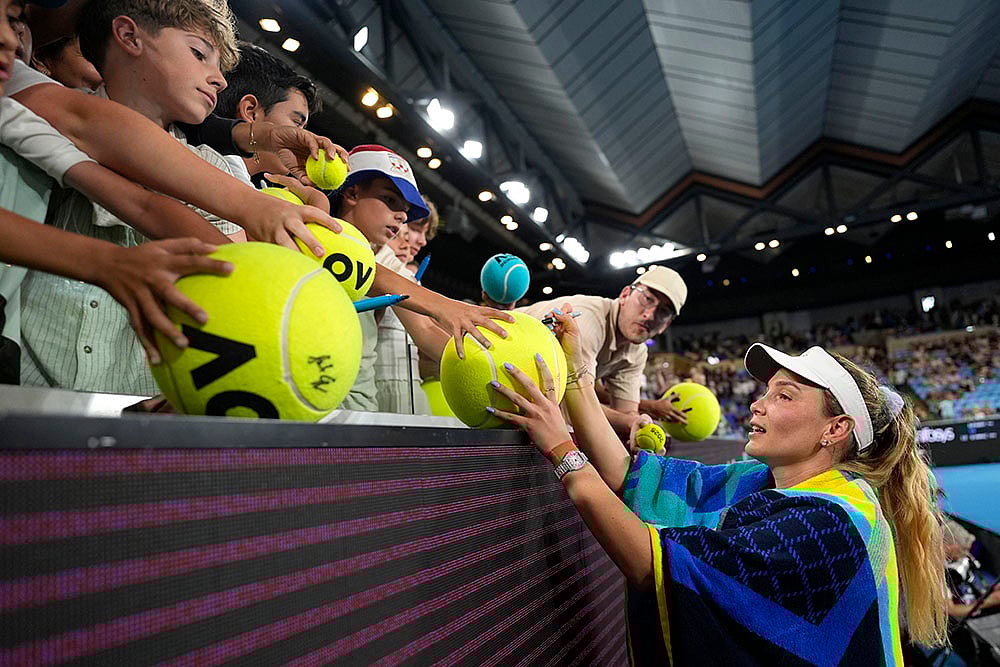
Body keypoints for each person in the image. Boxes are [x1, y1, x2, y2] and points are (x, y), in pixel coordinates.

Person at [489, 306, 949, 664]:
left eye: (784, 396)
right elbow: (633, 478)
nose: (758, 405)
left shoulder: (834, 522)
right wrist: (575, 378)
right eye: (766, 392)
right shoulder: (764, 483)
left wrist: (562, 450)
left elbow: (653, 564)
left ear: (836, 429)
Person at [17, 0, 252, 395]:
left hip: (145, 404)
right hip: (23, 390)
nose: (220, 80)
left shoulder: (221, 172)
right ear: (128, 36)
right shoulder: (42, 121)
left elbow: (229, 287)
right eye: (199, 54)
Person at [518, 265, 690, 435]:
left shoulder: (637, 352)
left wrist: (638, 428)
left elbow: (626, 412)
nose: (650, 315)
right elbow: (571, 407)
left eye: (663, 311)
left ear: (665, 325)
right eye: (647, 299)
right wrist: (632, 423)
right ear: (624, 295)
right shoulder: (586, 320)